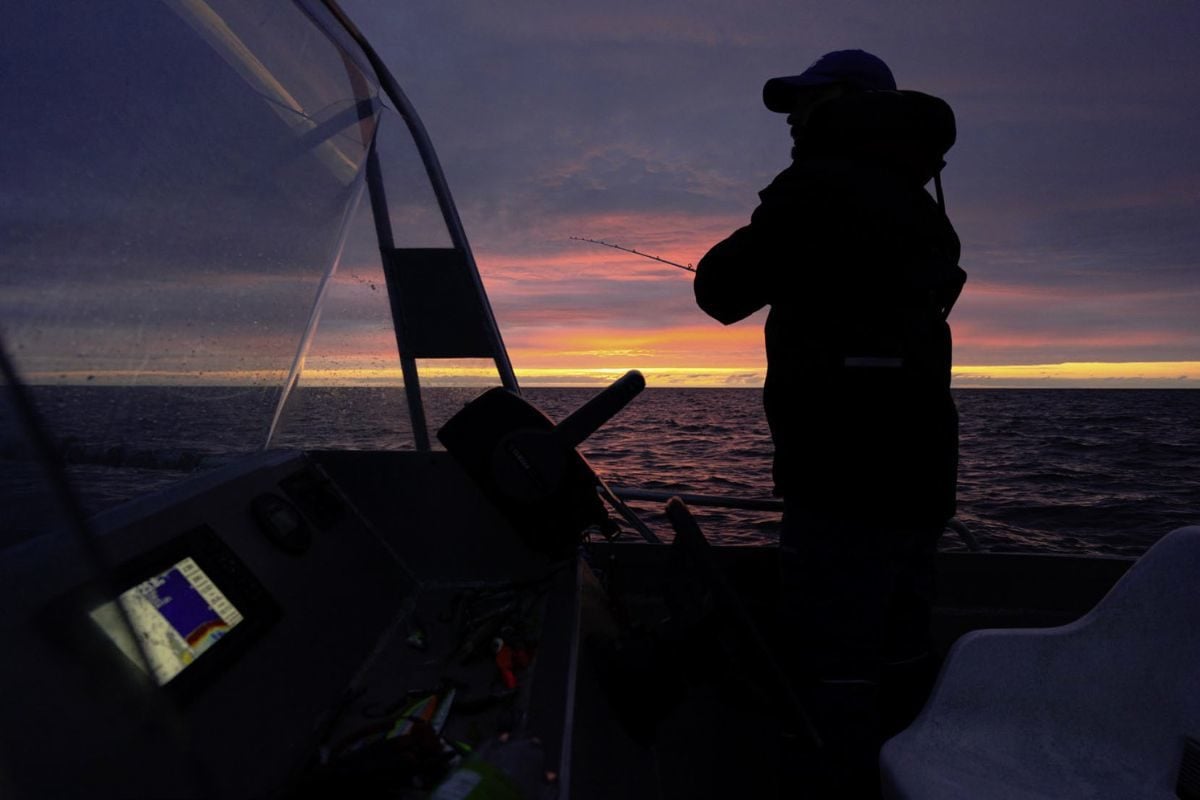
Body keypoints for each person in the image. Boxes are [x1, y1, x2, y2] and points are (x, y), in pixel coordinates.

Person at [693, 51, 966, 796]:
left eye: (806, 103)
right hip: (920, 478)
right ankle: (906, 774)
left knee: (831, 669)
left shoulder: (816, 190)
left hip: (843, 485)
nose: (792, 121)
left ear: (849, 106)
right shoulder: (919, 207)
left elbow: (720, 290)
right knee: (900, 655)